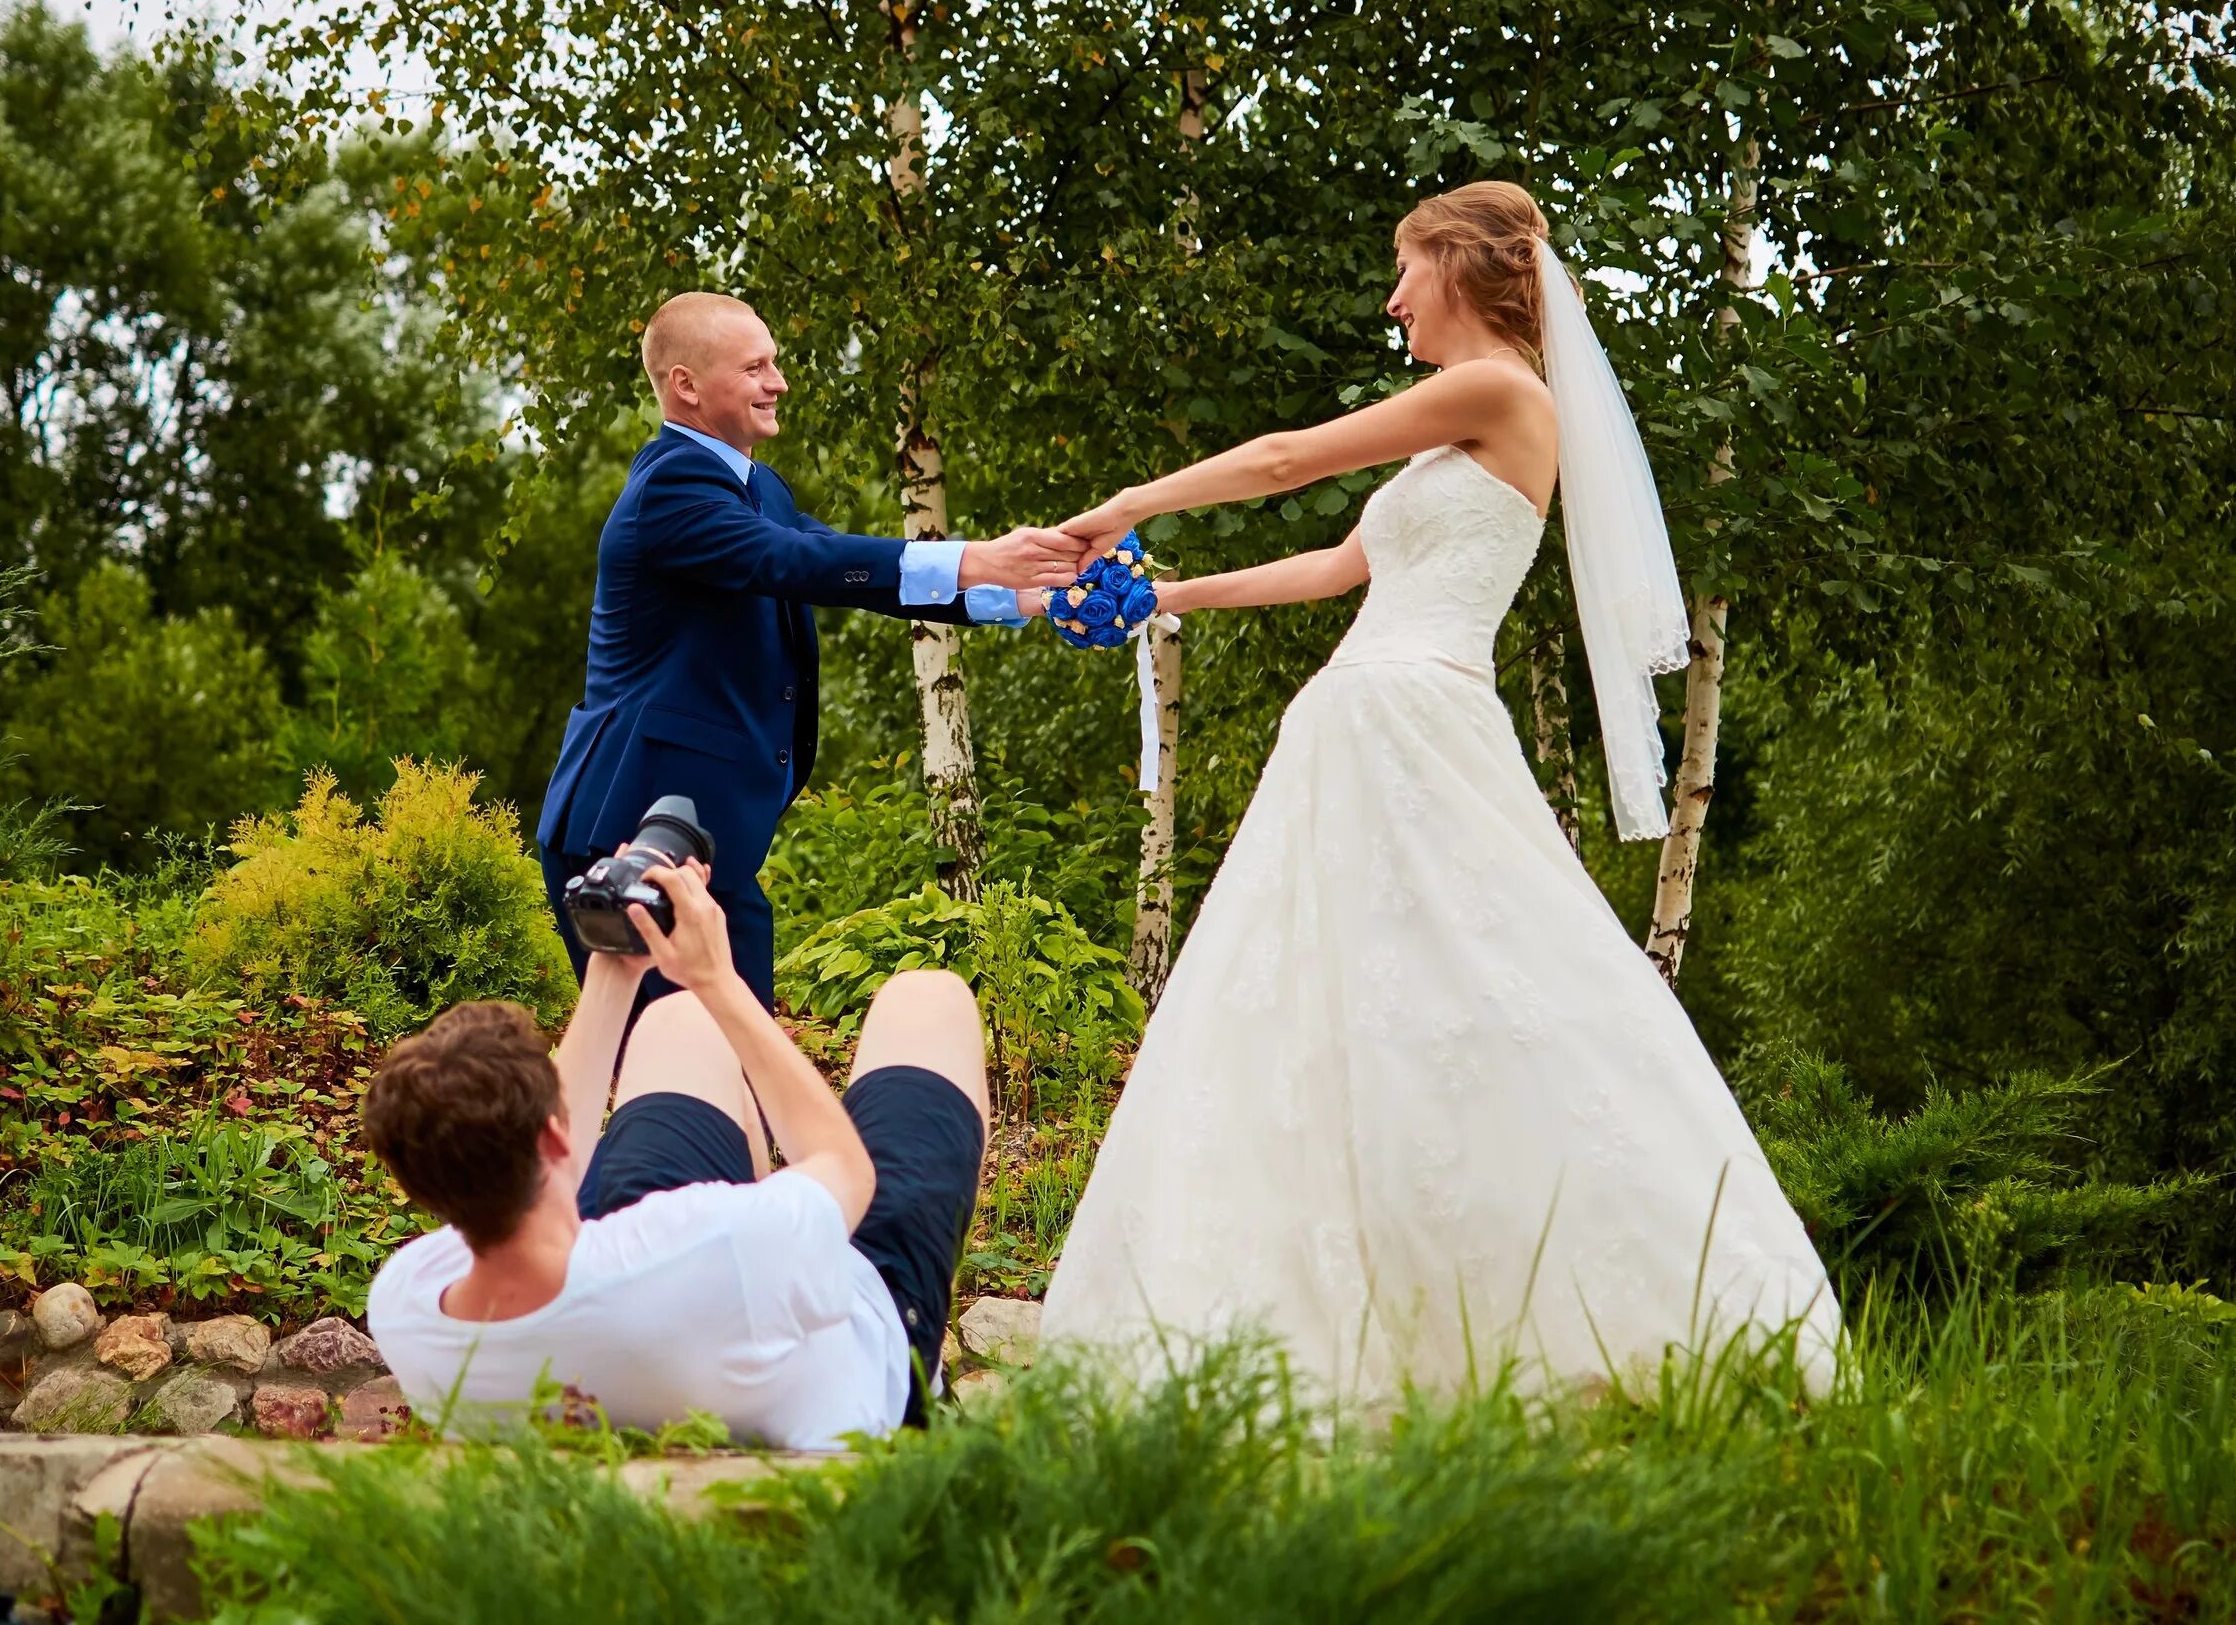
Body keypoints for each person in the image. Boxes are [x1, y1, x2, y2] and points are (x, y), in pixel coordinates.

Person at [1037, 182, 1841, 1401]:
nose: (1392, 294)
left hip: (1414, 710)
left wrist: (1129, 504)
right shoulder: (1448, 429)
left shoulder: (1502, 391)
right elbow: (1338, 565)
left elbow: (1284, 459)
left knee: (1481, 980)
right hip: (1360, 713)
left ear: (1461, 267)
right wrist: (1171, 595)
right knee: (1347, 1003)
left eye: (1406, 268)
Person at [537, 290, 1080, 1016]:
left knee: (730, 1072)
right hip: (635, 832)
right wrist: (980, 559)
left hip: (703, 834)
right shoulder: (671, 485)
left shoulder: (755, 486)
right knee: (677, 1083)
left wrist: (1027, 593)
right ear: (687, 386)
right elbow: (792, 562)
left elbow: (831, 560)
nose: (779, 382)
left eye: (776, 363)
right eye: (755, 366)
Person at [363, 851, 991, 1450]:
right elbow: (846, 1170)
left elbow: (557, 1158)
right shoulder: (716, 1241)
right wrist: (718, 979)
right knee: (926, 999)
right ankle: (928, 1376)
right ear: (553, 1136)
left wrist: (614, 968)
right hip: (864, 1338)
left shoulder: (411, 1306)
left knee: (678, 1020)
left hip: (667, 1311)